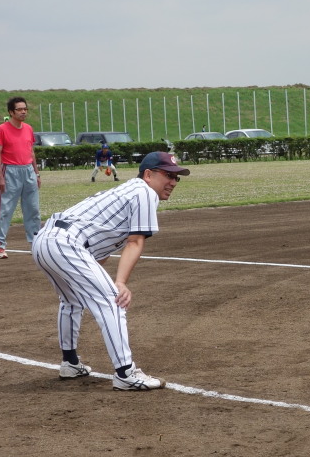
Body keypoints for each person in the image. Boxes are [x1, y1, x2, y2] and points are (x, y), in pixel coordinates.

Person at [31, 151, 191, 391]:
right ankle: (126, 373)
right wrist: (120, 283)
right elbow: (135, 242)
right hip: (64, 243)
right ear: (148, 175)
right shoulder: (144, 192)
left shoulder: (129, 191)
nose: (173, 182)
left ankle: (70, 363)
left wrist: (96, 279)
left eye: (176, 177)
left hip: (46, 241)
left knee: (72, 300)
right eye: (168, 175)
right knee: (113, 300)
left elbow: (100, 252)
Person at [0, 96, 42, 259]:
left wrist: (36, 173)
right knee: (5, 210)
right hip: (10, 171)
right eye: (19, 109)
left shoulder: (28, 128)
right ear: (11, 112)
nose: (23, 112)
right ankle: (0, 246)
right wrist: (0, 176)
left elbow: (31, 152)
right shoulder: (2, 129)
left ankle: (34, 243)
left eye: (25, 109)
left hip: (28, 171)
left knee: (33, 209)